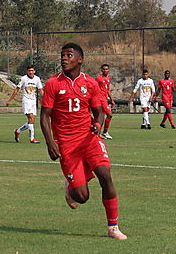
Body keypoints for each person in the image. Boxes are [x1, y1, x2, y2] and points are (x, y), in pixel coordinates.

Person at [39, 43, 127, 240]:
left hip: (89, 140)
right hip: (67, 145)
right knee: (82, 197)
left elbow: (98, 112)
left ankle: (113, 227)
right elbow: (44, 116)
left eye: (69, 55)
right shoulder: (53, 83)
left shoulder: (90, 83)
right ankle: (71, 190)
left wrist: (97, 124)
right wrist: (50, 143)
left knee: (105, 175)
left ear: (80, 59)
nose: (64, 58)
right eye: (62, 55)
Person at [6, 65, 44, 144]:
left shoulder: (37, 79)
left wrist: (47, 99)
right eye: (29, 70)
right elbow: (16, 89)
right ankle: (32, 139)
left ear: (34, 71)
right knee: (30, 118)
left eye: (32, 70)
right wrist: (10, 100)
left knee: (32, 121)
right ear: (27, 71)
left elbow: (40, 90)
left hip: (33, 101)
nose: (30, 72)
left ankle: (18, 131)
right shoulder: (23, 79)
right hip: (26, 101)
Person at [95, 64, 118, 140]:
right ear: (101, 70)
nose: (105, 70)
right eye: (104, 69)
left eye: (106, 69)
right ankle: (105, 132)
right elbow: (94, 88)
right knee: (110, 115)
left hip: (105, 99)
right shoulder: (98, 78)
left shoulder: (108, 78)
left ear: (108, 70)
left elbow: (107, 89)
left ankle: (99, 133)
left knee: (101, 116)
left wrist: (111, 99)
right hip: (100, 99)